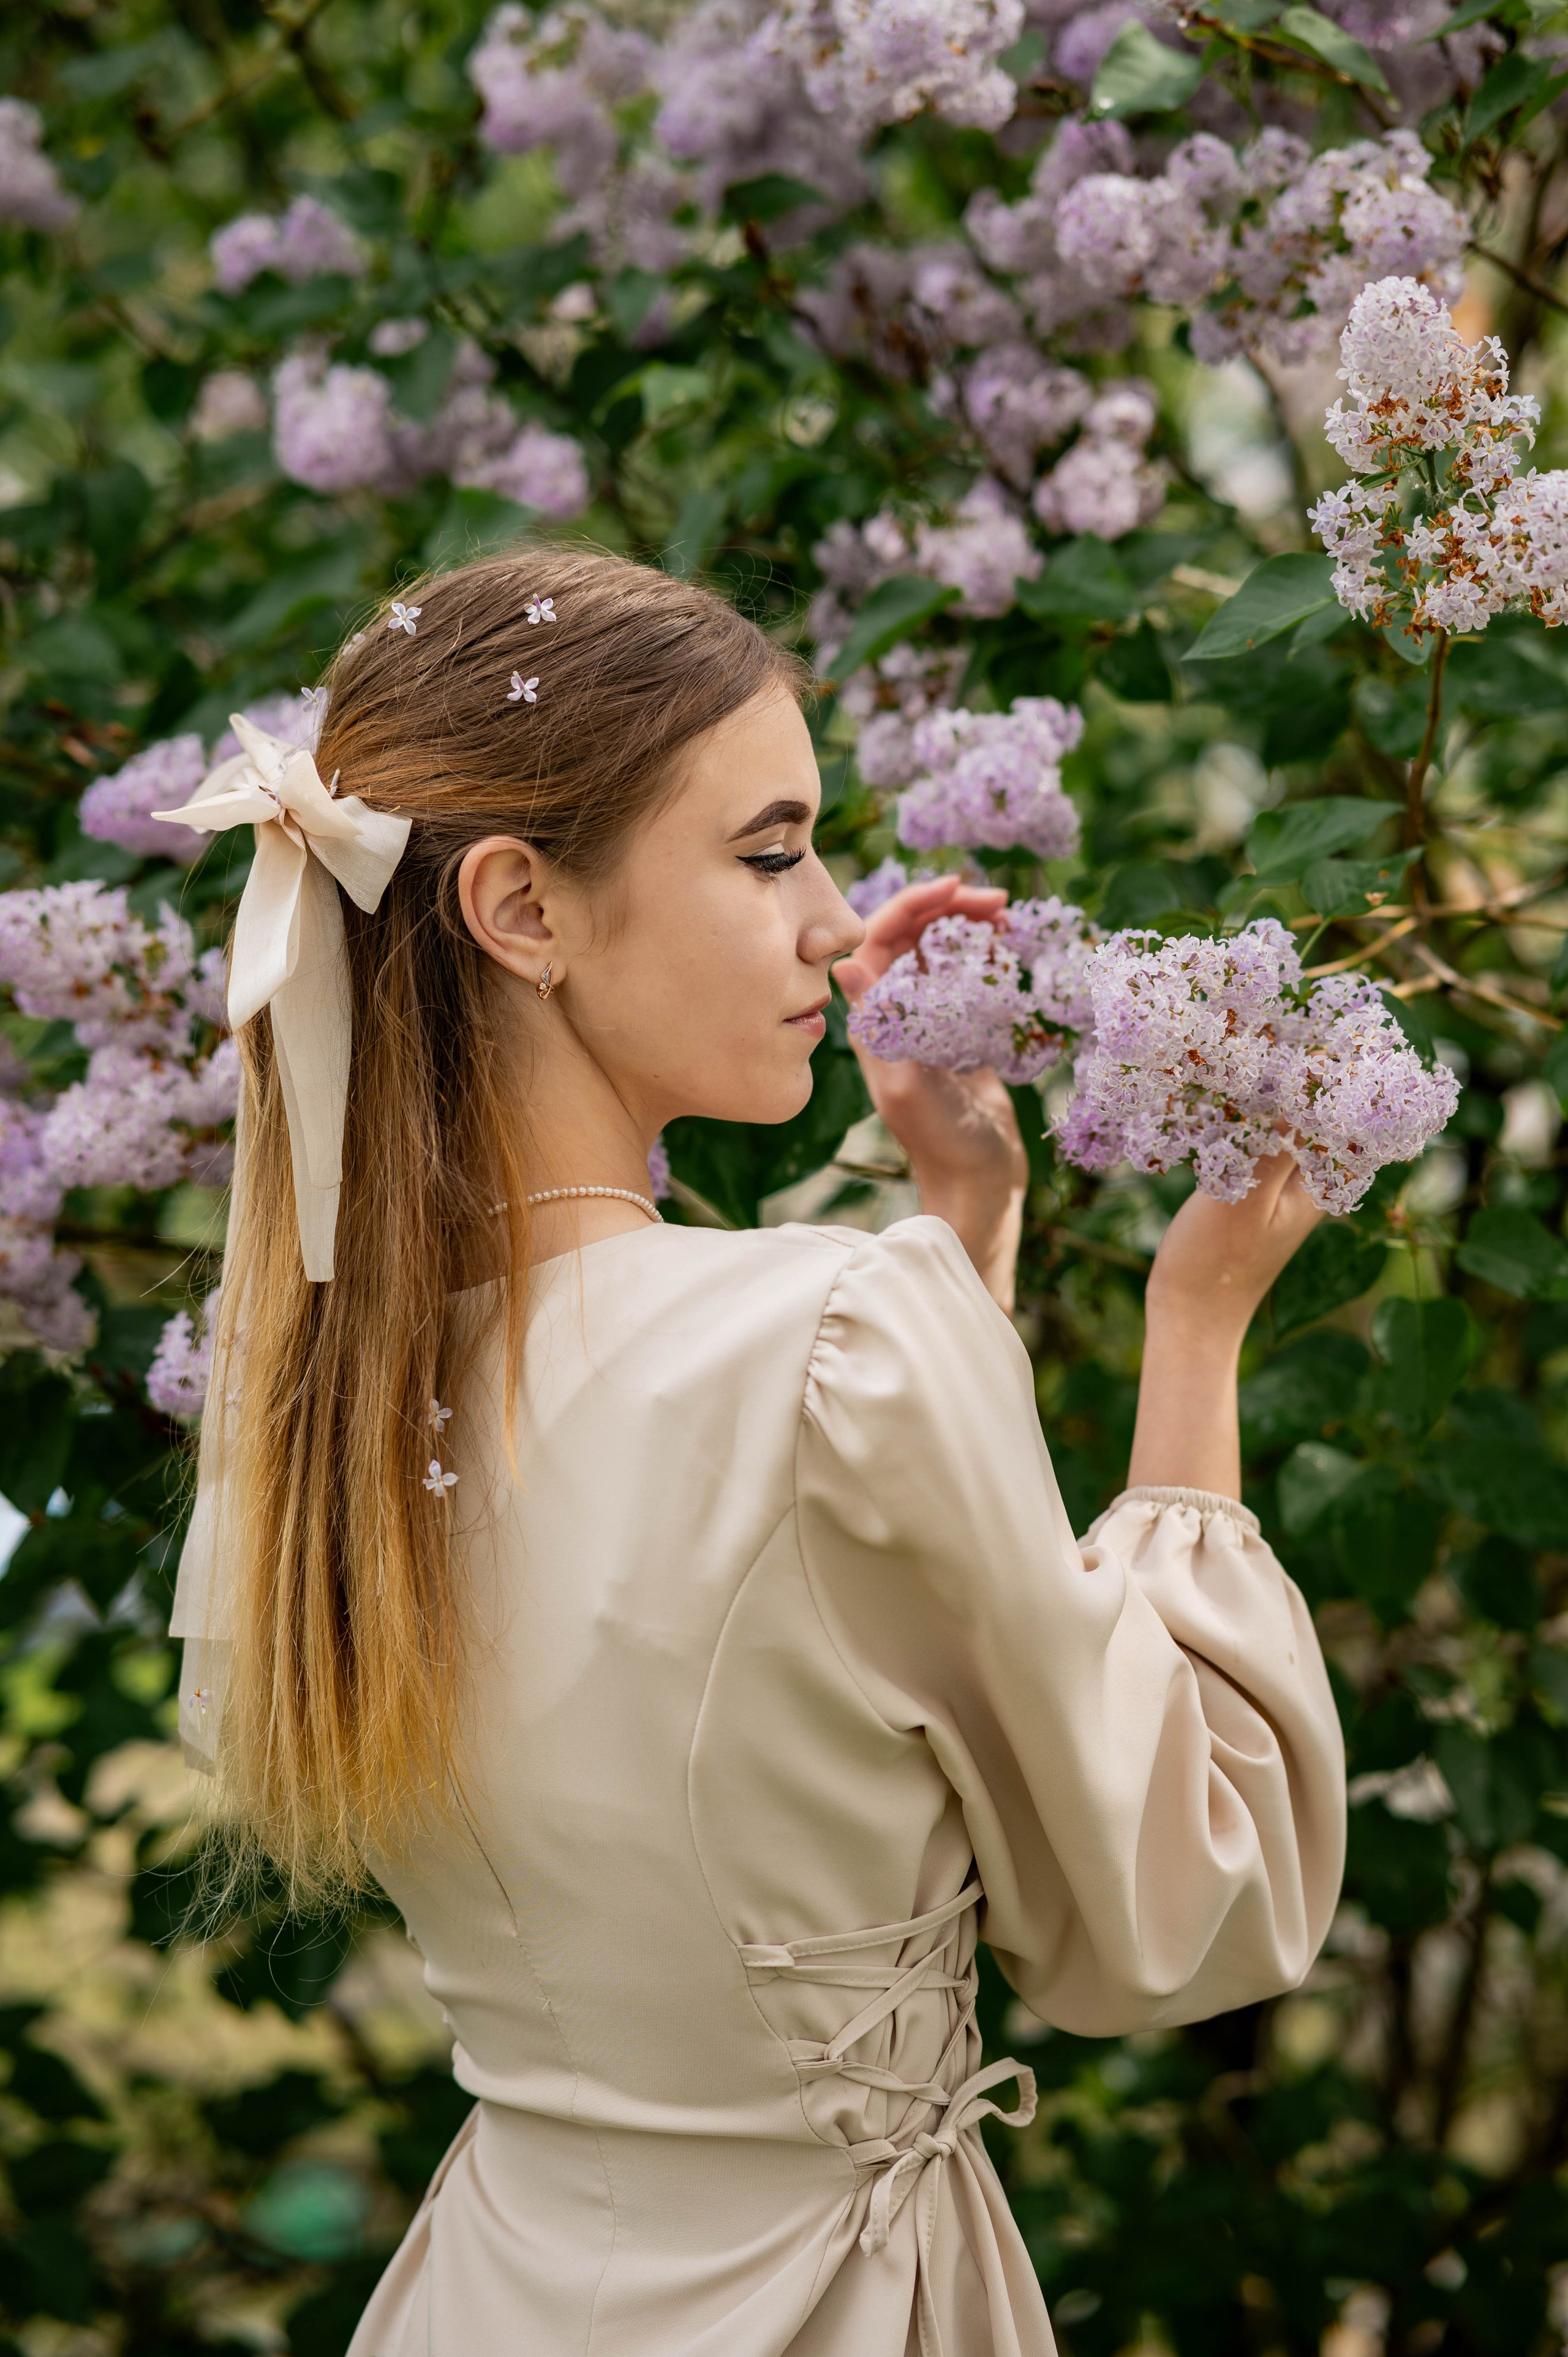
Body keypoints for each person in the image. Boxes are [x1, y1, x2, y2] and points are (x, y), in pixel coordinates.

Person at [165, 544, 1346, 2357]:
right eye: (771, 848)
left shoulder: (322, 1405)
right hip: (824, 2303)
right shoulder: (828, 1343)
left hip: (502, 2282)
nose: (829, 919)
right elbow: (1182, 1903)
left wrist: (959, 1210)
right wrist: (1197, 1340)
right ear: (522, 910)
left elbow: (770, 1594)